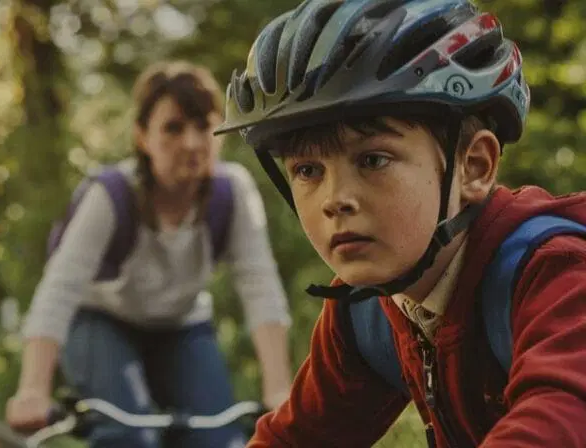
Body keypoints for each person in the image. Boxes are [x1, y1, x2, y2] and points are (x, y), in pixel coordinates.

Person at [214, 0, 586, 446]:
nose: (335, 200)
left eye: (373, 159)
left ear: (473, 167)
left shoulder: (559, 276)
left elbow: (557, 424)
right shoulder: (365, 312)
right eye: (308, 170)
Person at [5, 60, 294, 448]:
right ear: (143, 136)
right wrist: (32, 391)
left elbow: (260, 286)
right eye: (173, 128)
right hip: (101, 320)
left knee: (219, 439)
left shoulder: (234, 192)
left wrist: (279, 388)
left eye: (203, 126)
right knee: (131, 437)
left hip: (181, 325)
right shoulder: (110, 195)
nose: (191, 143)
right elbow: (59, 290)